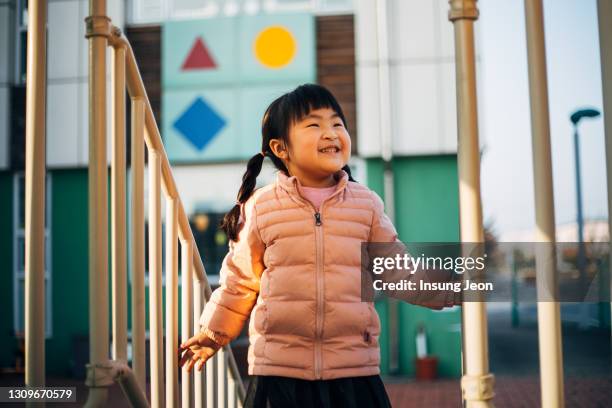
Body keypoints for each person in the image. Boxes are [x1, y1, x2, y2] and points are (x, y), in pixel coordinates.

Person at [178, 83, 457, 407]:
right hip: (281, 370)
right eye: (314, 125)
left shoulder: (365, 204)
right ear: (281, 148)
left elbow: (397, 271)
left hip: (353, 368)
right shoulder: (262, 207)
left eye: (336, 123)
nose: (330, 132)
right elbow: (239, 282)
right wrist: (213, 333)